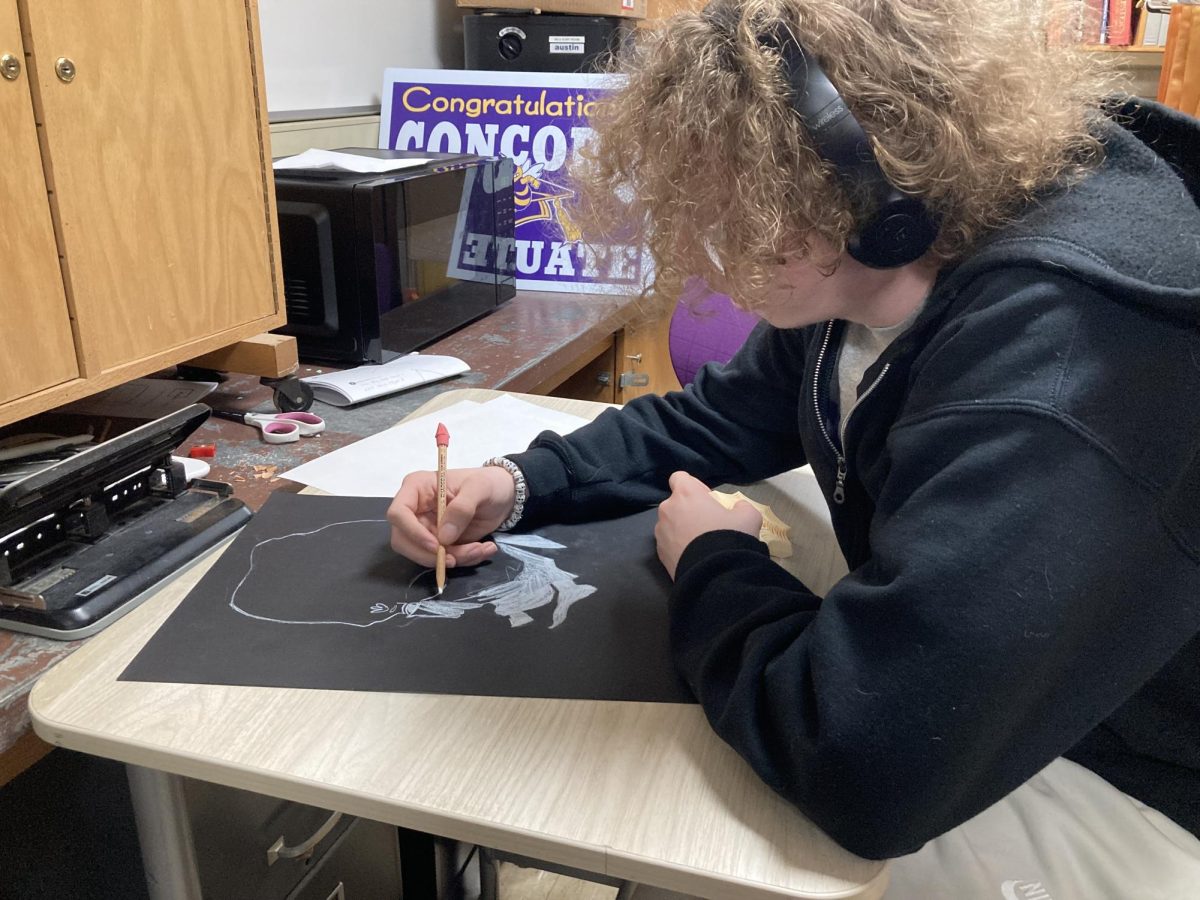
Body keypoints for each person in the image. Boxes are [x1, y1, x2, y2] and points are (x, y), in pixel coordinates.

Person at [388, 0, 1200, 895]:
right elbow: (720, 416)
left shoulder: (1060, 367)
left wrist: (715, 560)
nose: (708, 250)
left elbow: (865, 760)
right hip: (1002, 692)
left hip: (1132, 775)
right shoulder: (875, 272)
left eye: (743, 215)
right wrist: (521, 482)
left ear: (877, 195)